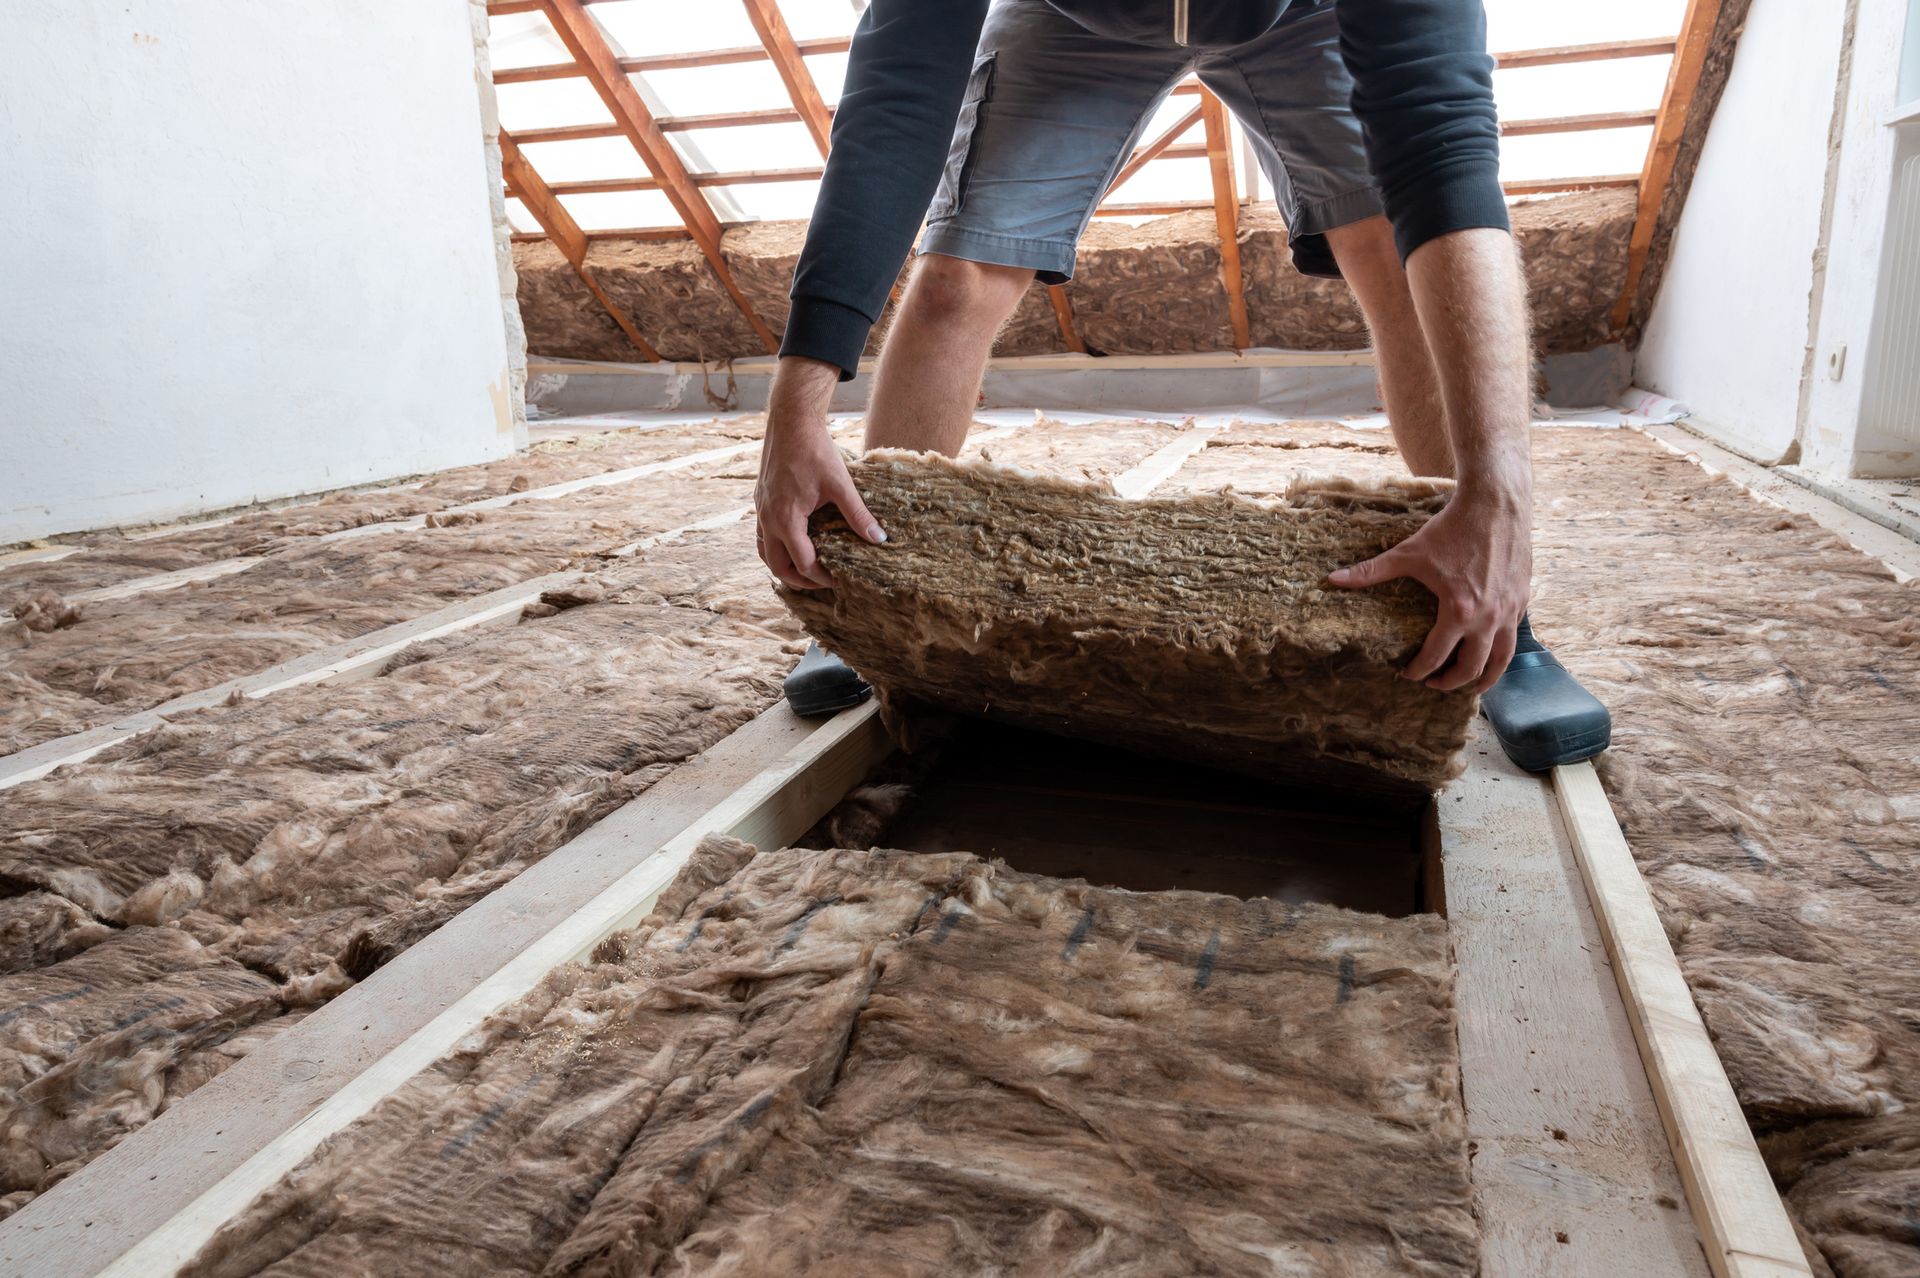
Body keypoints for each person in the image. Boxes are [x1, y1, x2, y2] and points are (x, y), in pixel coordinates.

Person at [755, 0, 1611, 772]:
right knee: (960, 271)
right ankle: (875, 586)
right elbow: (894, 110)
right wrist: (796, 410)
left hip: (1309, 17)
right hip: (1079, 24)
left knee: (1388, 245)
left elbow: (1441, 137)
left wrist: (1503, 497)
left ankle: (1498, 623)